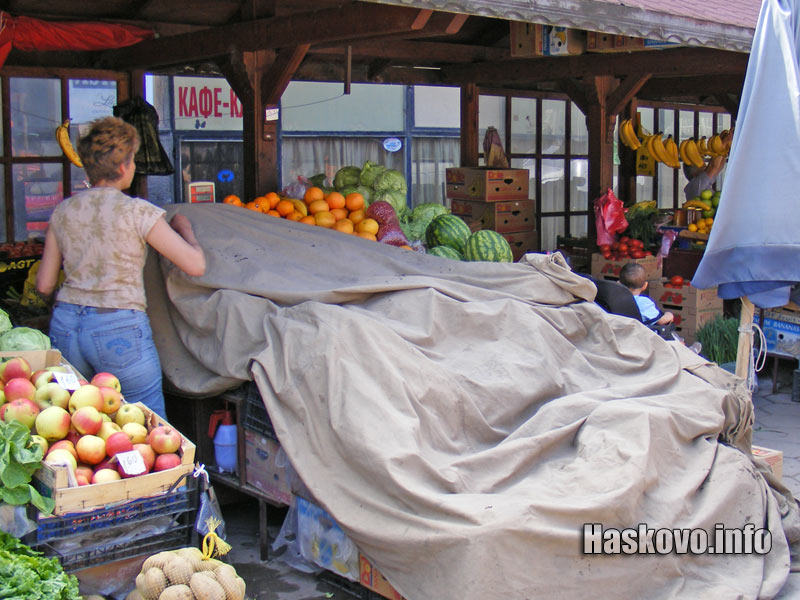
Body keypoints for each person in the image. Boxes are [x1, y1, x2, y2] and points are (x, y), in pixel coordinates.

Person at [35, 116, 206, 419]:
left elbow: (44, 285)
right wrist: (185, 229)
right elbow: (195, 265)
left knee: (77, 425)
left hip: (67, 325)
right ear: (125, 166)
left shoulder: (63, 212)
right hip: (118, 326)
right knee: (147, 424)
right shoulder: (137, 212)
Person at [618, 262, 674, 328]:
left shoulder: (614, 300)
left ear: (619, 283)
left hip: (619, 334)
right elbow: (661, 321)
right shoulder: (643, 302)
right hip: (641, 336)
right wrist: (669, 315)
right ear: (645, 286)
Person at [682, 131, 731, 201]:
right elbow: (713, 167)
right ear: (695, 173)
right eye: (703, 166)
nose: (706, 167)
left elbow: (718, 168)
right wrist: (724, 143)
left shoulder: (701, 184)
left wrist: (724, 148)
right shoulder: (696, 184)